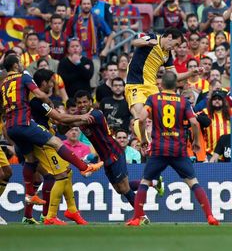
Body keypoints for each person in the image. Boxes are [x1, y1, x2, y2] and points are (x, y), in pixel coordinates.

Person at [0, 55, 102, 212]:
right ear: (15, 65)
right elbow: (45, 101)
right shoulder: (24, 77)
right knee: (57, 146)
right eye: (20, 62)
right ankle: (83, 167)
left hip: (11, 127)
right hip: (26, 125)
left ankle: (29, 197)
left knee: (30, 159)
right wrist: (49, 102)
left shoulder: (3, 84)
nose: (22, 64)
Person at [126, 72, 219, 226]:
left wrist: (143, 139)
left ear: (161, 85)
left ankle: (136, 218)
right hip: (178, 149)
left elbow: (141, 119)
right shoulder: (183, 101)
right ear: (176, 85)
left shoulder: (153, 99)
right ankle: (209, 216)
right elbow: (195, 123)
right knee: (193, 182)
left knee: (145, 182)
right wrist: (196, 141)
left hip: (159, 148)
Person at [47, 91, 157, 219]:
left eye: (84, 102)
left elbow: (73, 123)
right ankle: (152, 183)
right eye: (79, 103)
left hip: (114, 153)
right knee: (119, 189)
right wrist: (63, 122)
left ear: (90, 102)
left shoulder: (95, 114)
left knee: (124, 188)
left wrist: (61, 118)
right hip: (105, 158)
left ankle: (142, 217)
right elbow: (62, 129)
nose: (82, 105)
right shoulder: (79, 116)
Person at [125, 28, 199, 146]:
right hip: (135, 84)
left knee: (161, 116)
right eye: (175, 44)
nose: (175, 48)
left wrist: (191, 73)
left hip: (152, 87)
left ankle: (167, 143)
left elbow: (175, 76)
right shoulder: (153, 37)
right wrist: (147, 43)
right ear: (169, 37)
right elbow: (134, 42)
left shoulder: (167, 55)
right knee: (139, 115)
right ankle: (147, 145)